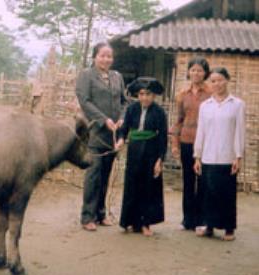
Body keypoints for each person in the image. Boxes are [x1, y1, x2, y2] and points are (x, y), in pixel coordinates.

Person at [76, 42, 126, 231]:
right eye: (102, 56)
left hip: (112, 134)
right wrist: (103, 119)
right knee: (94, 174)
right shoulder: (86, 75)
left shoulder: (117, 77)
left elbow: (124, 101)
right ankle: (87, 216)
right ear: (94, 57)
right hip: (95, 132)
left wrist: (121, 118)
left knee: (105, 174)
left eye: (109, 56)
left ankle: (101, 213)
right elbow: (84, 101)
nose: (106, 59)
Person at [194, 67, 245, 241]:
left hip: (227, 157)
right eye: (213, 81)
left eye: (220, 80)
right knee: (209, 193)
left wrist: (238, 156)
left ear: (227, 80)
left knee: (227, 194)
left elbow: (239, 132)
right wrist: (197, 156)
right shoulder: (205, 106)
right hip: (208, 156)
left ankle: (229, 228)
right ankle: (209, 226)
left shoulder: (237, 104)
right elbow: (201, 131)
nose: (217, 84)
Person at [115, 77, 167, 236]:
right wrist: (121, 139)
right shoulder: (132, 109)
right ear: (138, 95)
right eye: (141, 94)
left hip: (151, 150)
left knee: (148, 186)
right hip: (134, 151)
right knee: (132, 185)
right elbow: (124, 128)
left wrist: (160, 159)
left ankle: (145, 223)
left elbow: (163, 136)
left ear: (154, 96)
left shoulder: (159, 112)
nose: (145, 98)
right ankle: (129, 221)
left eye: (148, 94)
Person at [170, 57, 211, 231]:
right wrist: (174, 143)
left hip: (206, 143)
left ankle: (201, 219)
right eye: (193, 69)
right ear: (188, 72)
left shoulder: (210, 94)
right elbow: (178, 120)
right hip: (186, 141)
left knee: (203, 181)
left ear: (205, 73)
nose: (196, 73)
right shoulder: (182, 94)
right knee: (188, 180)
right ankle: (187, 220)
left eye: (200, 70)